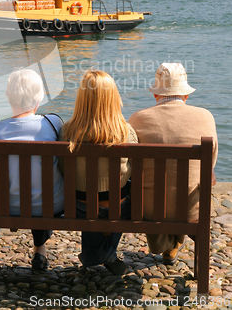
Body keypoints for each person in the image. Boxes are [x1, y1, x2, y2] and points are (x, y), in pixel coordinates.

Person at [129, 62, 218, 264]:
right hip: (191, 209)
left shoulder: (137, 118)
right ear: (186, 95)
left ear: (155, 94)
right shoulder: (205, 116)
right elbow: (210, 163)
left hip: (147, 211)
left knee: (150, 189)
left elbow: (129, 166)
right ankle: (177, 242)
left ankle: (167, 244)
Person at [62, 70, 138, 275]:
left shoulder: (67, 131)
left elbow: (61, 168)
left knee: (89, 198)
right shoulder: (126, 131)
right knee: (127, 197)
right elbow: (133, 170)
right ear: (113, 98)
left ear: (81, 99)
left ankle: (95, 255)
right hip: (117, 208)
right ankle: (103, 255)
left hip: (76, 207)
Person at [0, 68, 64, 271]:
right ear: (39, 98)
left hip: (6, 206)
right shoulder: (53, 123)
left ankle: (39, 249)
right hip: (51, 206)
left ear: (8, 97)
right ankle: (40, 249)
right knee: (44, 182)